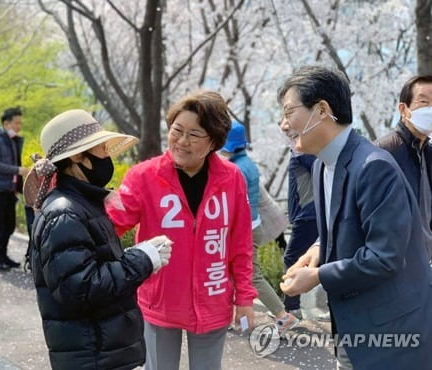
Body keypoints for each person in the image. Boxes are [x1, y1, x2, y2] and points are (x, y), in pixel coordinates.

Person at [278, 66, 432, 369]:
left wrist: (317, 277)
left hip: (393, 331)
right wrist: (317, 250)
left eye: (289, 112)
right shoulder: (323, 165)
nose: (284, 124)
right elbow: (345, 225)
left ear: (321, 110)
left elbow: (384, 256)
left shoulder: (373, 166)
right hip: (355, 325)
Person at [106, 90, 257, 370]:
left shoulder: (231, 178)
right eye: (177, 130)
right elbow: (111, 223)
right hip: (159, 301)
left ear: (213, 141)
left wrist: (245, 298)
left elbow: (240, 243)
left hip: (213, 299)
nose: (182, 141)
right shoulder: (144, 176)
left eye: (194, 134)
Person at [23, 109, 173, 370]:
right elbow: (80, 289)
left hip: (102, 353)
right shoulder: (64, 212)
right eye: (102, 149)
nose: (108, 156)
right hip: (94, 358)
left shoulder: (81, 204)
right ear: (78, 157)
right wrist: (142, 259)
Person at [220, 120, 298, 334]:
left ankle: (283, 316)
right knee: (230, 272)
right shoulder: (247, 163)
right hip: (252, 226)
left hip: (243, 230)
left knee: (251, 275)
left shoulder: (235, 169)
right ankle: (232, 318)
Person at [375, 75, 432, 263]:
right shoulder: (384, 152)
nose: (430, 109)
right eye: (424, 101)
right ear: (403, 109)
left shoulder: (427, 151)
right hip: (401, 263)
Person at [0, 107, 30, 271]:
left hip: (8, 189)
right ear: (6, 123)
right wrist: (18, 170)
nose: (19, 126)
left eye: (20, 123)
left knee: (9, 225)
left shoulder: (11, 140)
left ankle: (3, 256)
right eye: (16, 123)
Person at [283, 152, 319, 318]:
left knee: (291, 259)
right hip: (306, 215)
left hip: (307, 216)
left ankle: (291, 308)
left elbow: (322, 169)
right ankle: (292, 307)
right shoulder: (301, 154)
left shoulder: (304, 154)